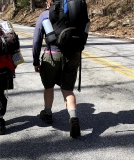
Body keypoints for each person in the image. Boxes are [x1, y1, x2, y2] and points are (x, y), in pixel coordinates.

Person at [32, 0, 81, 138]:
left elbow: (36, 39)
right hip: (73, 55)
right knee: (67, 89)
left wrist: (36, 60)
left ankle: (47, 113)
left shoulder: (45, 15)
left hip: (52, 55)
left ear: (49, 2)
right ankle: (73, 118)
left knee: (49, 86)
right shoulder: (75, 13)